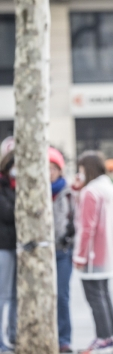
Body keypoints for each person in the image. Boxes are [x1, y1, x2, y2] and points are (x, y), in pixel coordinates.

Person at [72, 151, 113, 354]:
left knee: (94, 297)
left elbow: (86, 227)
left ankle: (103, 338)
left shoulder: (91, 192)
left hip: (92, 254)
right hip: (107, 251)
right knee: (103, 295)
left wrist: (80, 256)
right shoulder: (108, 188)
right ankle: (108, 337)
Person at [49, 147, 75, 353]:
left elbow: (77, 220)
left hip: (62, 250)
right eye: (46, 168)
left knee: (62, 296)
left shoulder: (68, 193)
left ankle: (64, 339)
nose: (49, 172)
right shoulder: (32, 191)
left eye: (53, 168)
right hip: (39, 252)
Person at [0, 151, 16, 353]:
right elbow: (7, 213)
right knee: (2, 295)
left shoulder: (14, 186)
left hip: (15, 246)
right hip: (3, 246)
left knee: (14, 295)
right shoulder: (2, 185)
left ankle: (13, 334)